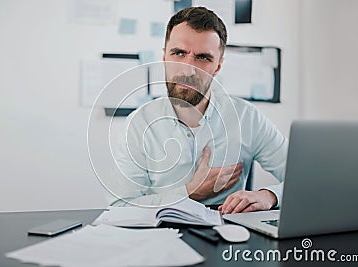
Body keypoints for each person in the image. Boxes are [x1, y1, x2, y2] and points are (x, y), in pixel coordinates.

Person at [107, 7, 287, 214]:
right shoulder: (138, 124)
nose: (188, 70)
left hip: (228, 237)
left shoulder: (247, 117)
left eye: (203, 58)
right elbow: (121, 206)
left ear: (218, 66)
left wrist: (269, 196)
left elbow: (307, 178)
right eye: (179, 53)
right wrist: (191, 193)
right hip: (158, 236)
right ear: (164, 56)